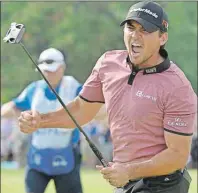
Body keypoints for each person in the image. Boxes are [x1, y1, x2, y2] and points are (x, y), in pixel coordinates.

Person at [18, 2, 197, 193]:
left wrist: (129, 170)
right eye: (130, 27)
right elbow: (80, 110)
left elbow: (177, 155)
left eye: (145, 30)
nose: (135, 36)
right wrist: (41, 121)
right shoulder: (108, 64)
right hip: (125, 181)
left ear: (162, 37)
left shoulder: (177, 86)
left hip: (163, 185)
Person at [1, 48, 84, 193]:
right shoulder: (34, 89)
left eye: (52, 70)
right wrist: (19, 114)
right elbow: (9, 108)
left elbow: (90, 107)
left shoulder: (73, 86)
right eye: (45, 71)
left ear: (62, 68)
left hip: (67, 156)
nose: (48, 74)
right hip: (38, 158)